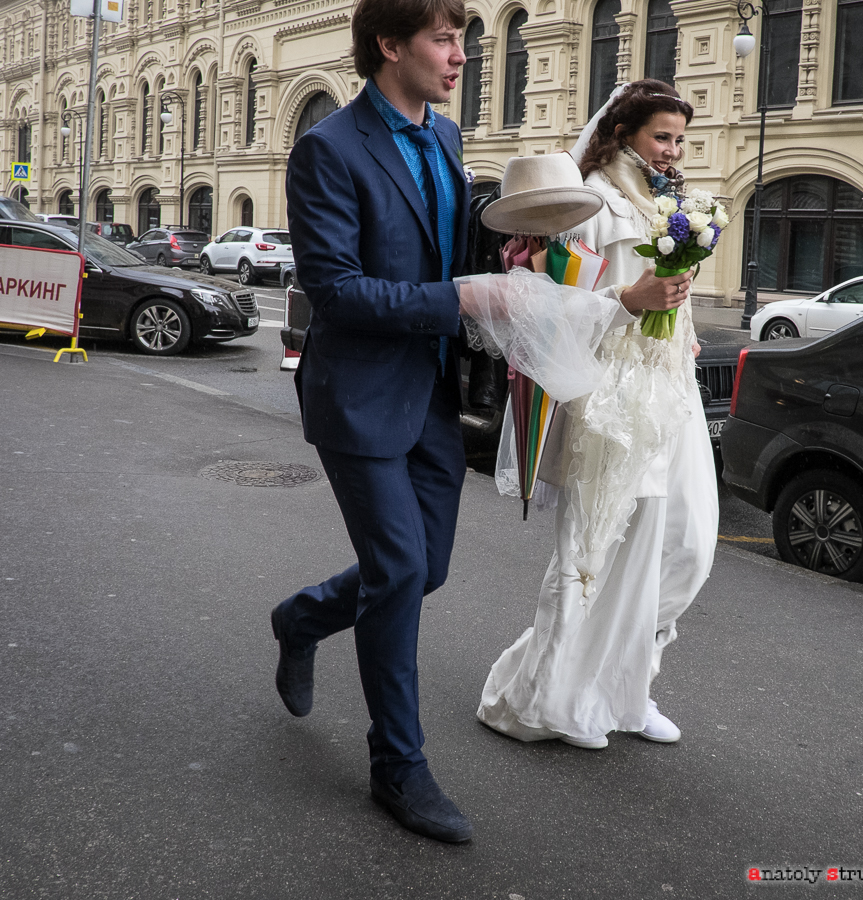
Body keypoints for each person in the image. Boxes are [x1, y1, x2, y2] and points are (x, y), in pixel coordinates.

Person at [268, 0, 474, 843]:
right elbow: (338, 290)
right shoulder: (327, 148)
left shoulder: (451, 139)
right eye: (443, 38)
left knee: (425, 571)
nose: (460, 54)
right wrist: (460, 298)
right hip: (356, 394)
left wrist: (514, 263)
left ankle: (304, 616)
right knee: (397, 572)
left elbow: (447, 256)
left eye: (463, 37)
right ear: (390, 46)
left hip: (431, 393)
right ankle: (399, 765)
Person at [476, 80, 720, 749]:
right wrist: (628, 299)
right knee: (594, 548)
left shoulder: (671, 206)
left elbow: (672, 294)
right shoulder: (587, 205)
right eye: (661, 136)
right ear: (624, 133)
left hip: (670, 391)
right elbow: (544, 311)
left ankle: (625, 686)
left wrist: (682, 326)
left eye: (679, 139)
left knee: (686, 546)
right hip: (606, 394)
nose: (672, 151)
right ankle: (545, 697)